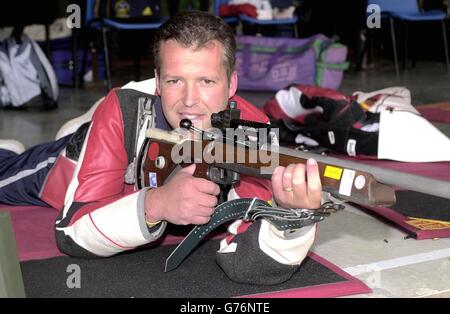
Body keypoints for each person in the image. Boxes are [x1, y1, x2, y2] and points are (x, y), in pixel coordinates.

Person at [0, 11, 322, 262]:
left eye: (207, 82)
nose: (190, 100)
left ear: (232, 84)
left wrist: (292, 222)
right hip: (77, 154)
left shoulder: (253, 134)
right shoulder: (124, 111)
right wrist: (157, 204)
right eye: (174, 81)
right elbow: (71, 233)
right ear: (157, 81)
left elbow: (244, 261)